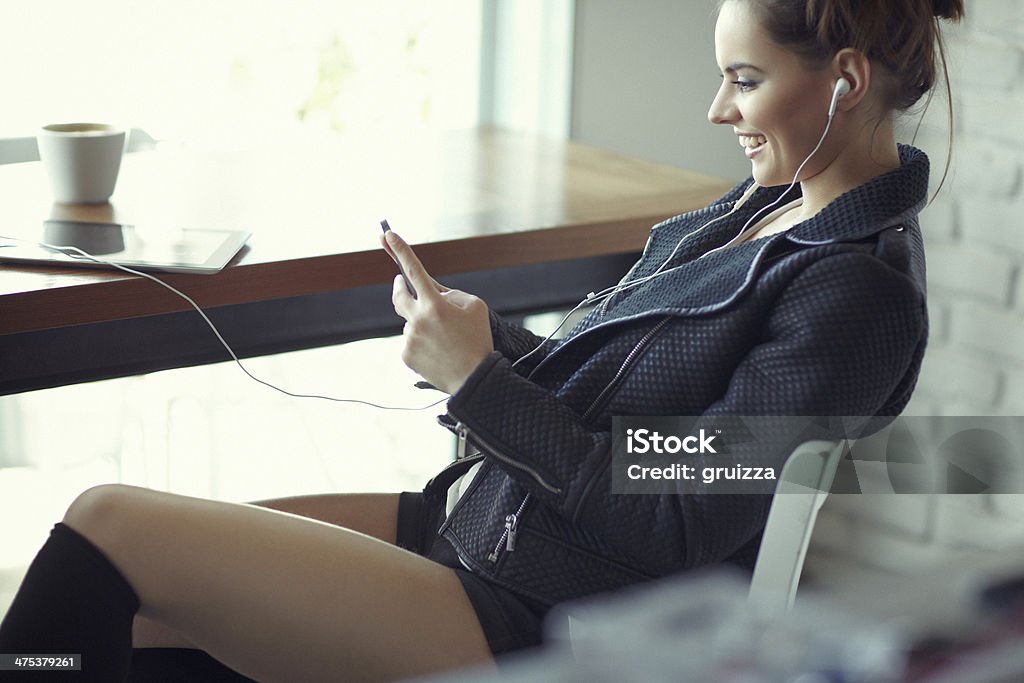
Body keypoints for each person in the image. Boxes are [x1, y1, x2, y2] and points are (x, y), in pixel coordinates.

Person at [0, 0, 964, 680]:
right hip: (475, 532)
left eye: (744, 80)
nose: (718, 110)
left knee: (110, 525)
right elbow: (608, 397)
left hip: (535, 613)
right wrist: (483, 339)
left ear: (844, 79)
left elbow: (676, 517)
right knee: (134, 598)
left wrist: (476, 382)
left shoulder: (853, 292)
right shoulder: (768, 208)